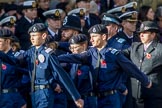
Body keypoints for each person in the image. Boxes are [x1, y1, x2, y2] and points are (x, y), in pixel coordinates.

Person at [58, 24, 152, 108]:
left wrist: (146, 81)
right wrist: (55, 58)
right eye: (91, 37)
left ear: (103, 36)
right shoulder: (91, 53)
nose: (91, 40)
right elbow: (75, 57)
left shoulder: (113, 54)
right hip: (96, 99)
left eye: (94, 36)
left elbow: (131, 68)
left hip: (111, 99)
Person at [0, 23, 84, 108]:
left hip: (45, 92)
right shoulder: (30, 52)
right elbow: (15, 61)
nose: (31, 38)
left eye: (34, 35)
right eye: (30, 36)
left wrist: (76, 96)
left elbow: (61, 74)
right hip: (34, 92)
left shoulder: (48, 54)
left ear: (43, 36)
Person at [123, 21, 162, 108]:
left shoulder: (160, 49)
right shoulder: (134, 47)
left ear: (153, 34)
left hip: (153, 98)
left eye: (144, 33)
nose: (141, 35)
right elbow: (120, 55)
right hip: (135, 97)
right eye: (140, 33)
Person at [67, 34, 97, 108]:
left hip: (88, 99)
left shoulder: (91, 58)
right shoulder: (72, 60)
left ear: (84, 46)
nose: (73, 50)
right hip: (75, 98)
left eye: (75, 47)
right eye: (71, 48)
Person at [0, 29, 26, 108]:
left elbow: (28, 74)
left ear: (7, 41)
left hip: (12, 97)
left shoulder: (18, 56)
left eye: (0, 41)